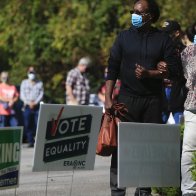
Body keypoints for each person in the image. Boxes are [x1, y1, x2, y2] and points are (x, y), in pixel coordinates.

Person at [104, 0, 180, 195]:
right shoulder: (123, 37)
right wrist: (108, 98)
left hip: (153, 102)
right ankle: (117, 191)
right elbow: (112, 67)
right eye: (133, 11)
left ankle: (144, 191)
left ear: (150, 16)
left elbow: (176, 71)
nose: (134, 15)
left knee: (148, 151)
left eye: (138, 12)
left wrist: (152, 73)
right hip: (127, 101)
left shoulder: (163, 39)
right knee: (122, 149)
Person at [161, 20, 187, 124]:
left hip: (177, 92)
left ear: (177, 33)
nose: (164, 36)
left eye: (167, 33)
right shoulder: (159, 48)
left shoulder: (184, 51)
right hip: (161, 92)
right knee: (157, 127)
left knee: (180, 128)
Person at [181, 23, 196, 196]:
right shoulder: (188, 53)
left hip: (192, 106)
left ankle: (189, 191)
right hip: (193, 108)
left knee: (189, 152)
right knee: (189, 151)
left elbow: (186, 79)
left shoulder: (186, 53)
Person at [20, 66, 44, 147]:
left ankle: (38, 141)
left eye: (33, 72)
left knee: (38, 124)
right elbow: (22, 95)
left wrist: (35, 103)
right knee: (28, 124)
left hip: (37, 106)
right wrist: (28, 102)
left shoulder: (40, 83)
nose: (32, 74)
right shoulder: (24, 82)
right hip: (27, 106)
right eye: (30, 73)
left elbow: (41, 94)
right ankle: (30, 141)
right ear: (28, 73)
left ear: (35, 73)